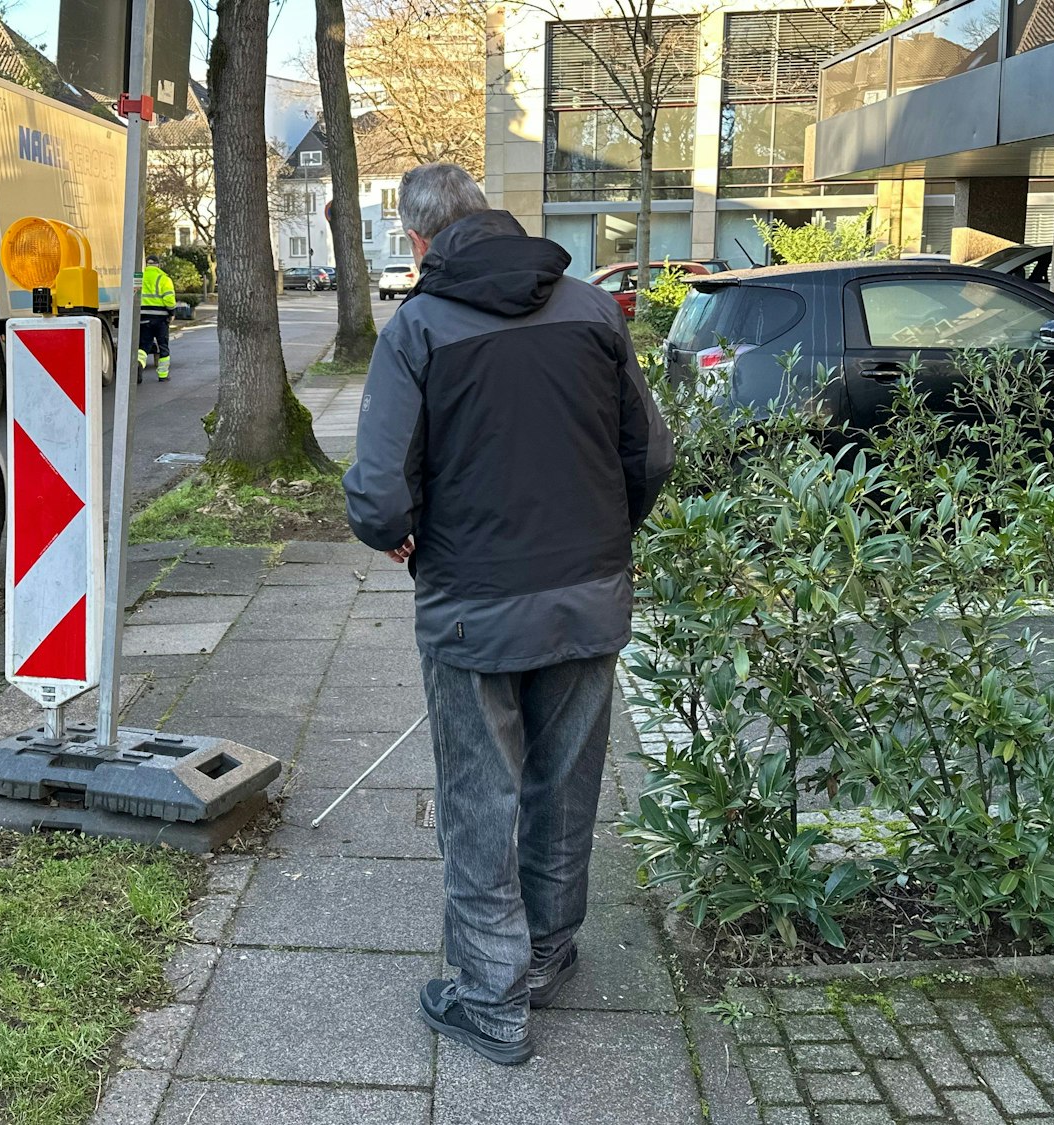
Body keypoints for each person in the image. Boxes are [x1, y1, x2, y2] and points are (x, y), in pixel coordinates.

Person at [342, 163, 674, 1066]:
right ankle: (548, 954)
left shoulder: (418, 327)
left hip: (471, 607)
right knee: (565, 784)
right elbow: (649, 454)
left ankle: (491, 994)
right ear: (487, 219)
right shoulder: (589, 311)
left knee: (479, 795)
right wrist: (600, 541)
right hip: (587, 594)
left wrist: (404, 533)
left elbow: (376, 497)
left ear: (418, 241)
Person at [137, 252, 176, 381]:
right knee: (163, 346)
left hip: (143, 318)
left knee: (143, 346)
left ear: (146, 265)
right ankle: (163, 375)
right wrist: (172, 313)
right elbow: (169, 300)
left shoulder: (139, 278)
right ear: (158, 265)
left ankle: (138, 366)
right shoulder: (163, 278)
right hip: (161, 319)